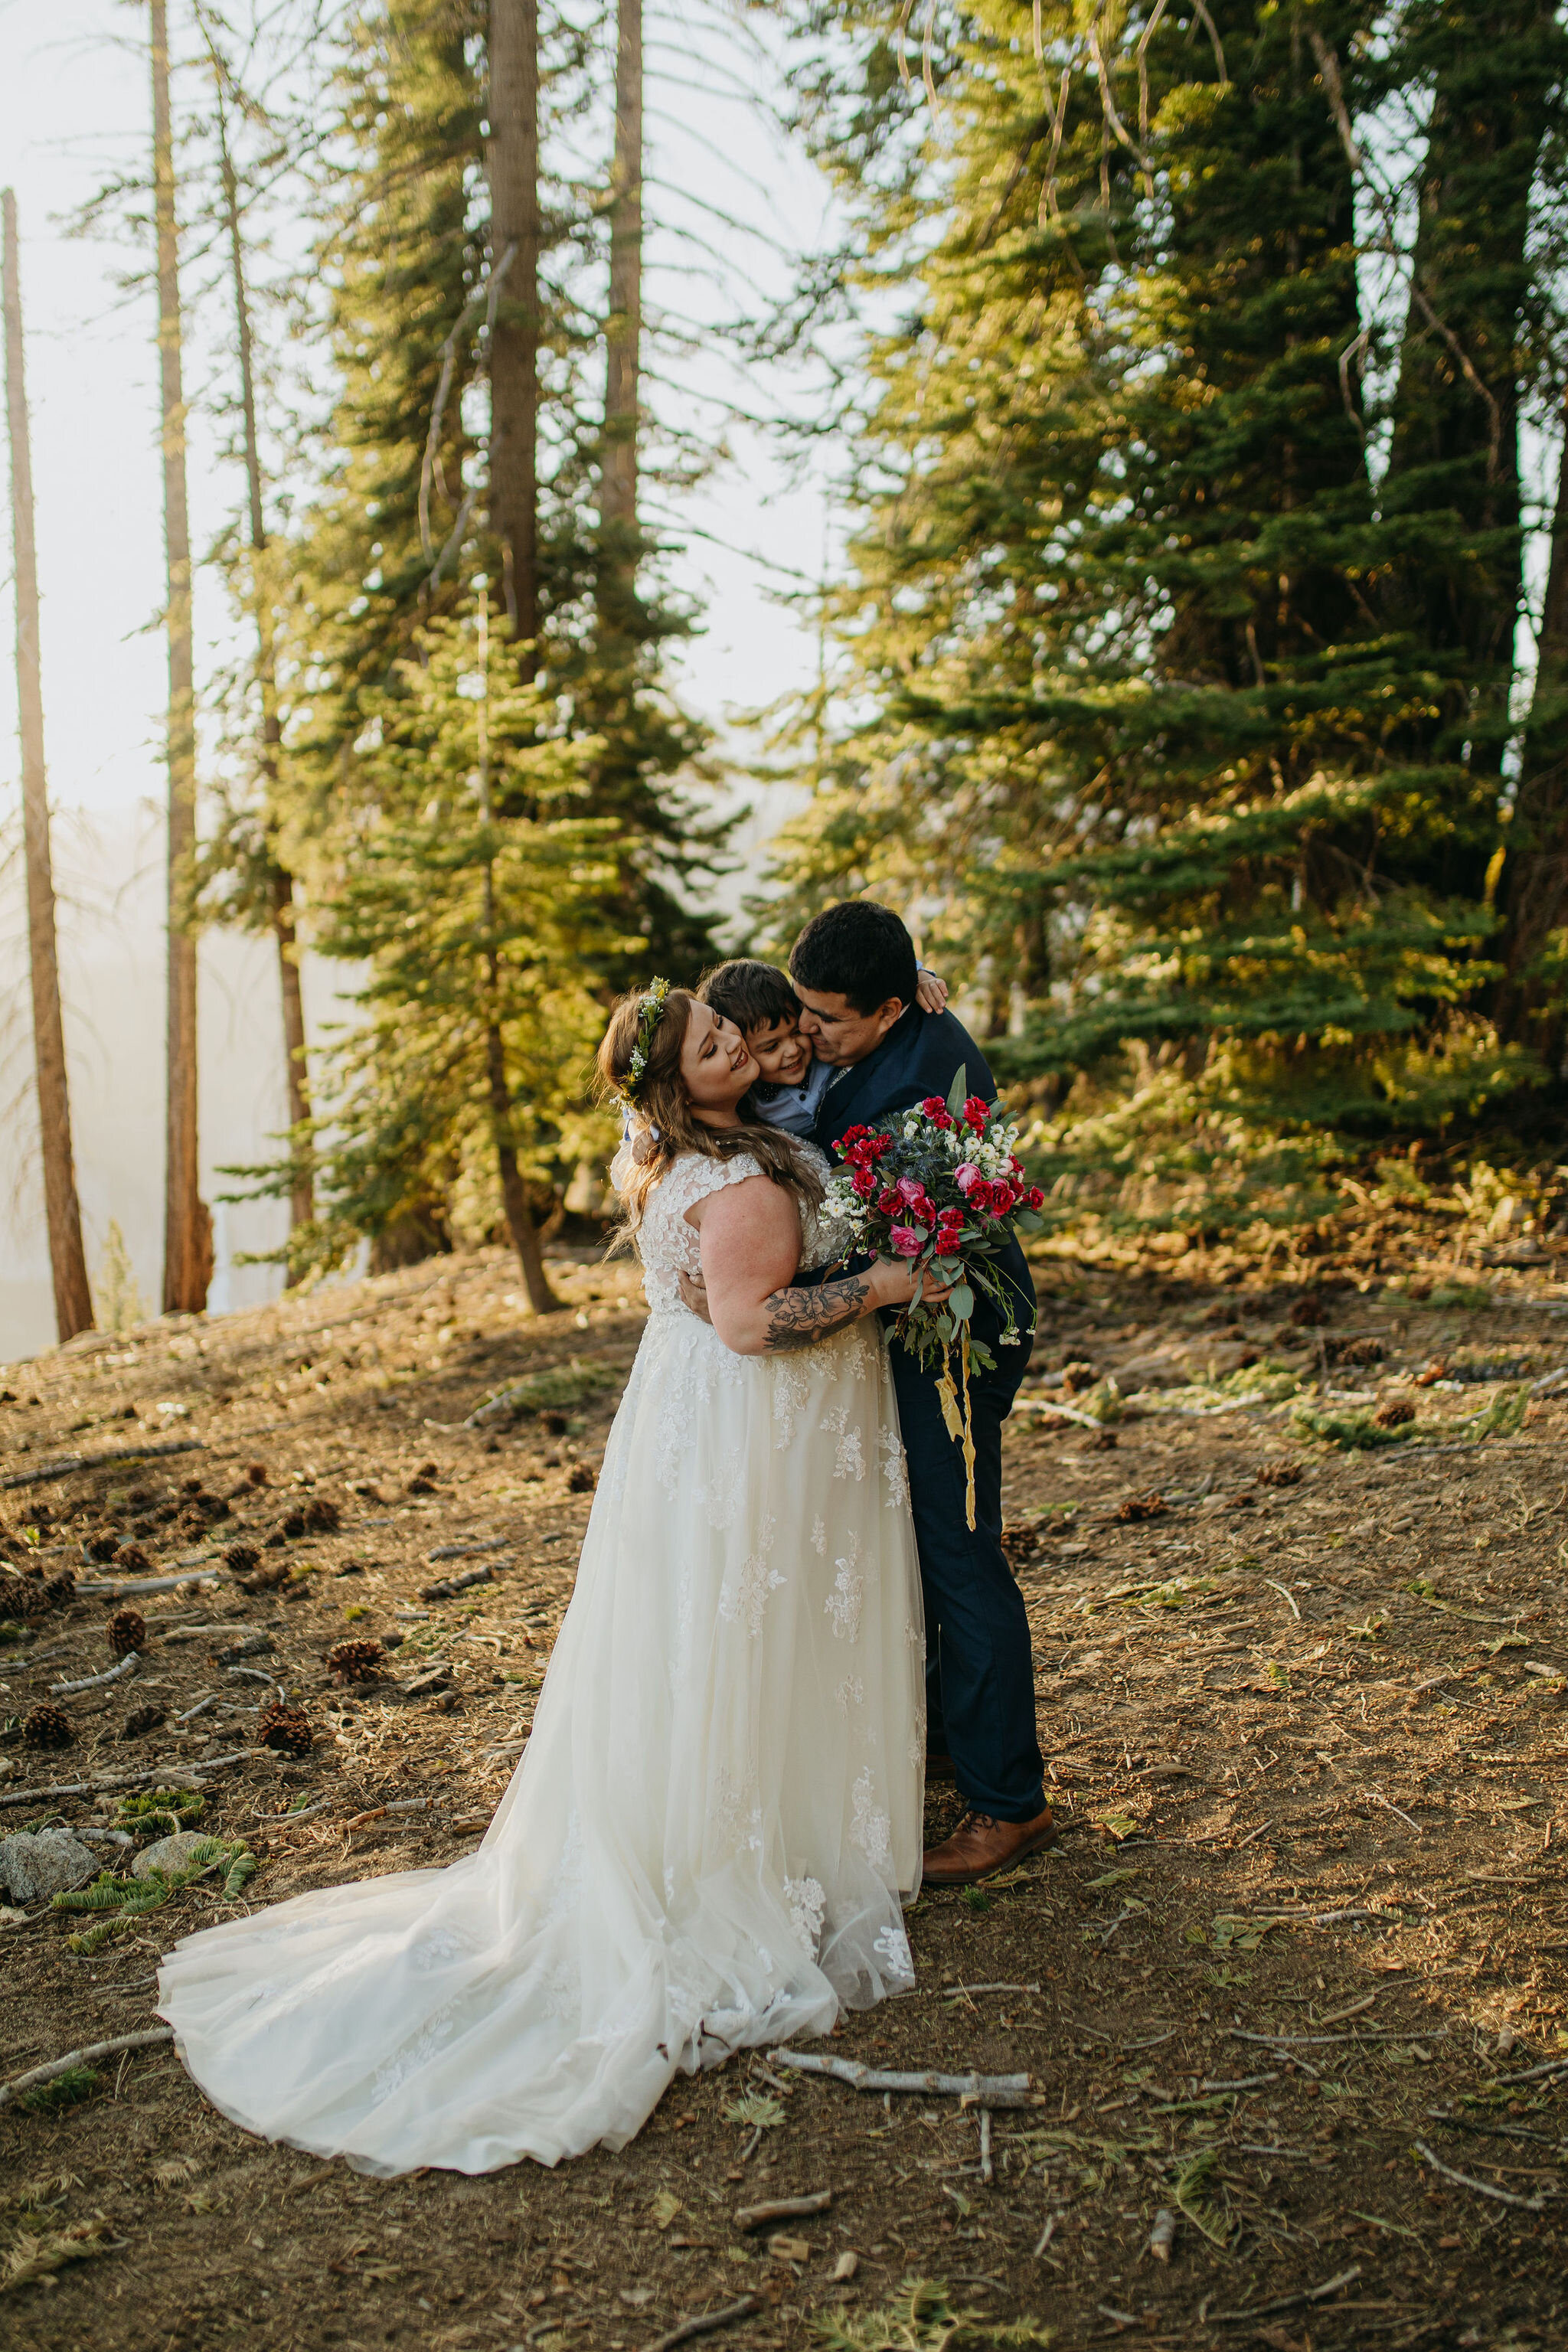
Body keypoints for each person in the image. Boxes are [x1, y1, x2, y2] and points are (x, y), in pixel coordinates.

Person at [155, 983, 941, 2177]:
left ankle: (772, 1825)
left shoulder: (695, 1148)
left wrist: (911, 992)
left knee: (727, 1643)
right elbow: (749, 1324)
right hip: (748, 1438)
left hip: (711, 1441)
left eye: (735, 1032)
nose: (741, 1043)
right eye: (715, 1043)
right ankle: (739, 1857)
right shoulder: (728, 1180)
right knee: (743, 1636)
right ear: (682, 1084)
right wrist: (885, 1286)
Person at [789, 901, 1052, 1886]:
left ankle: (1007, 1804)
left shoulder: (919, 1103)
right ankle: (950, 1730)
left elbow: (908, 1238)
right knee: (910, 1536)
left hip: (955, 1343)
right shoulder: (861, 1012)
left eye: (830, 1023)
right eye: (803, 1012)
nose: (807, 1036)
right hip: (896, 1338)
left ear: (894, 1009)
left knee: (958, 1551)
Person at [698, 956, 952, 1139]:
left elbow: (869, 977)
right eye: (771, 1047)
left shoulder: (827, 1048)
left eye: (796, 1032)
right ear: (745, 1052)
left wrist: (919, 977)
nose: (792, 1050)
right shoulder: (749, 1100)